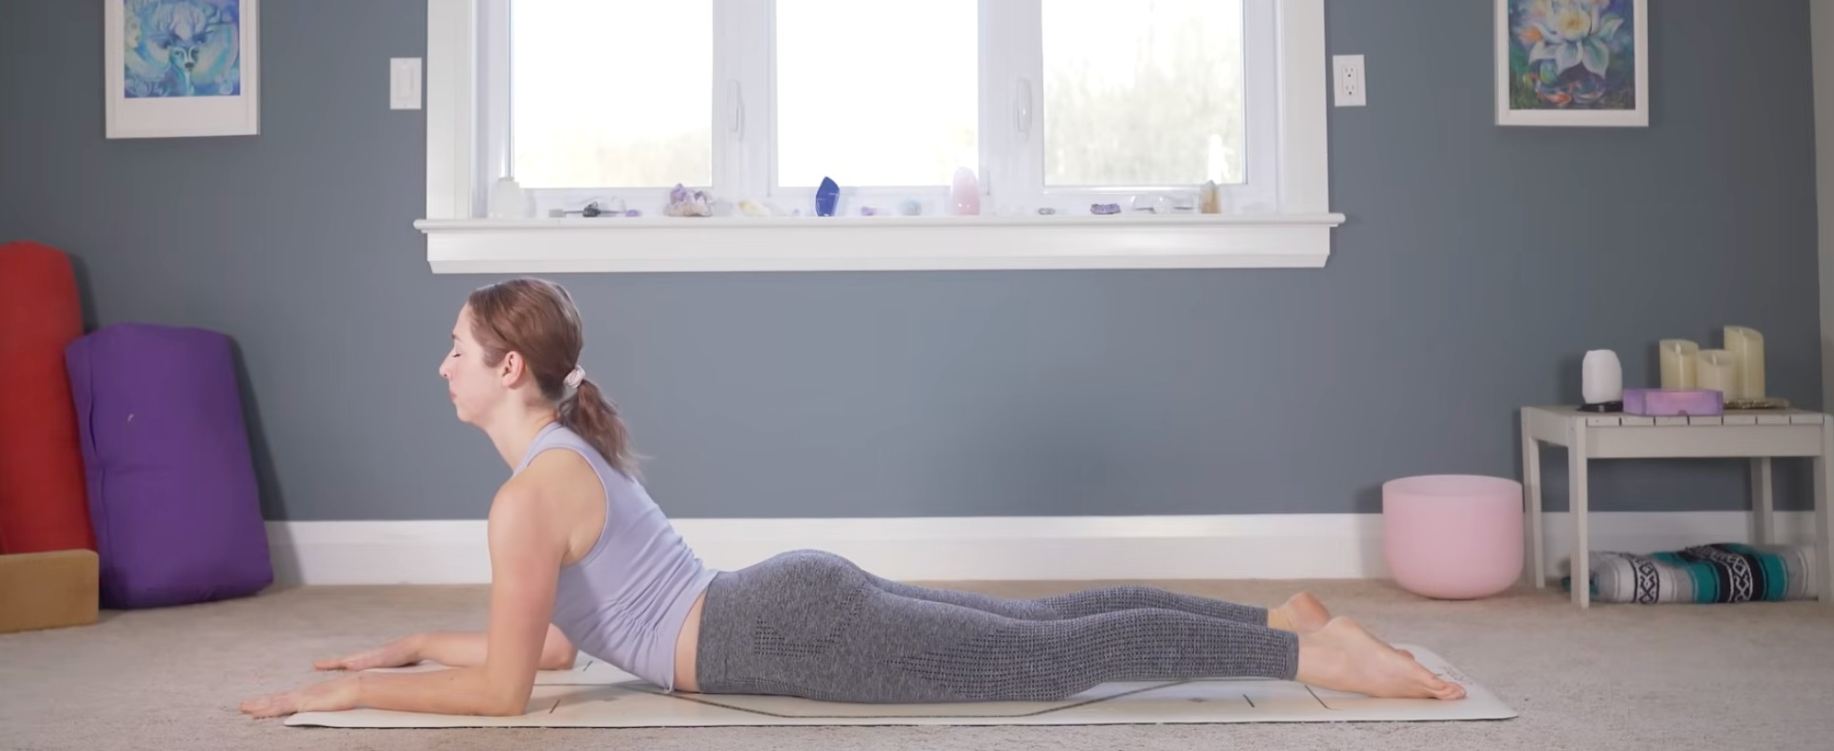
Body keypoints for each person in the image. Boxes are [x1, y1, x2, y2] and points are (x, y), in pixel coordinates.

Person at [240, 278, 1464, 719]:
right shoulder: (562, 457)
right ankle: (1288, 624)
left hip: (778, 626)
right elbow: (560, 645)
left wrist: (352, 690)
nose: (441, 365)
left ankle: (1319, 658)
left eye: (456, 348)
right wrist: (404, 642)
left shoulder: (527, 497)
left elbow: (507, 693)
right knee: (1046, 627)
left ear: (510, 368)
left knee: (1049, 663)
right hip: (781, 604)